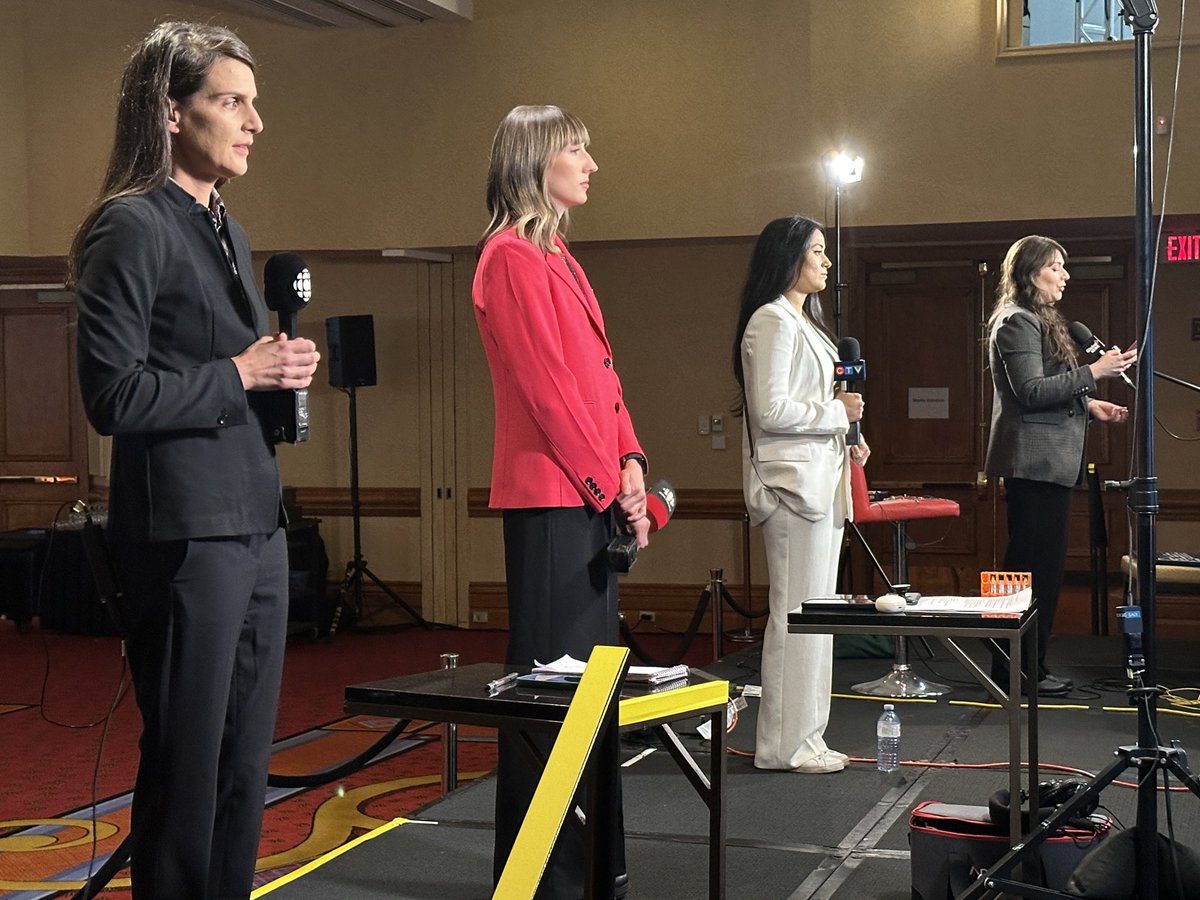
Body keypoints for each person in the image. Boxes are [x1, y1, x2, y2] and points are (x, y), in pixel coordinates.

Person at [70, 22, 320, 899]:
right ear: (171, 112)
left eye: (254, 103)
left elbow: (221, 372)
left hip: (254, 523)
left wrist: (273, 376)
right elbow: (113, 397)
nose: (254, 121)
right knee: (187, 762)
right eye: (231, 101)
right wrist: (238, 371)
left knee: (244, 763)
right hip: (183, 534)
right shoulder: (130, 227)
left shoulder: (228, 229)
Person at [472, 104, 648, 898]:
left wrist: (634, 463)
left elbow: (601, 384)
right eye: (578, 149)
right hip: (552, 499)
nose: (592, 164)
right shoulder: (509, 257)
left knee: (588, 693)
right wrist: (609, 488)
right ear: (536, 160)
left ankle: (586, 869)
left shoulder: (560, 258)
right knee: (552, 692)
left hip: (588, 492)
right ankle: (542, 877)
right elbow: (548, 393)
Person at [733, 215, 869, 774]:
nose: (826, 261)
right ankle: (782, 745)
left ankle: (808, 736)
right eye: (817, 251)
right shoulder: (772, 321)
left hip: (820, 485)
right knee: (794, 616)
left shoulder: (805, 321)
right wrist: (835, 413)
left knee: (817, 618)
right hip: (792, 489)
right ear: (789, 257)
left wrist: (849, 434)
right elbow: (770, 411)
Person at [985, 235, 1134, 696]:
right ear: (1032, 273)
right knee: (1028, 570)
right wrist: (1094, 372)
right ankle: (1013, 668)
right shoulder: (1016, 323)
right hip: (1033, 463)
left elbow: (1048, 385)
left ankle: (1030, 666)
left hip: (1051, 463)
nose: (1065, 275)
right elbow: (1028, 391)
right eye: (1056, 267)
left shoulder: (1041, 321)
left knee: (1043, 571)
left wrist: (1091, 406)